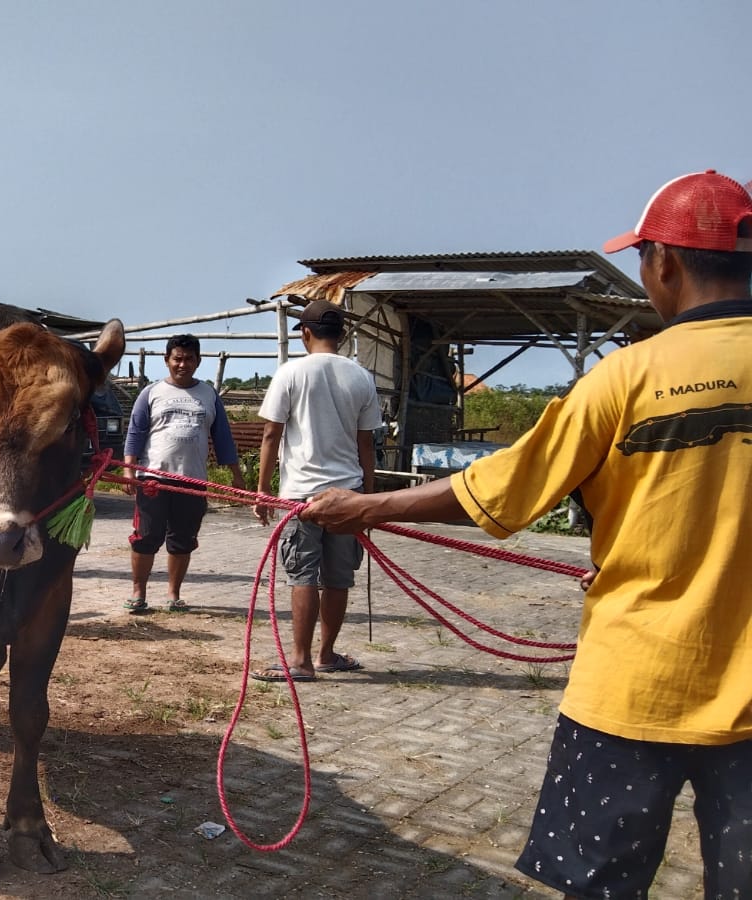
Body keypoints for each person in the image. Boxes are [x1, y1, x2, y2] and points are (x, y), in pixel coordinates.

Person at [302, 169, 752, 897]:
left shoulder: (626, 378)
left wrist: (364, 508)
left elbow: (501, 490)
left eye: (643, 261)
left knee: (597, 885)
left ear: (663, 262)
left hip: (632, 689)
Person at [250, 299, 380, 681]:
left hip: (300, 497)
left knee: (302, 575)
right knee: (338, 578)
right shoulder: (361, 377)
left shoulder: (290, 373)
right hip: (350, 496)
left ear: (305, 333)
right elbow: (366, 444)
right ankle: (325, 655)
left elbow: (271, 434)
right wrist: (370, 501)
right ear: (341, 335)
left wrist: (262, 491)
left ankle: (301, 662)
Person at [122, 335, 244, 612]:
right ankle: (138, 592)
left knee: (182, 539)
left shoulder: (209, 395)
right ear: (167, 360)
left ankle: (173, 594)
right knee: (146, 536)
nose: (182, 364)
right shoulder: (151, 393)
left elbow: (223, 438)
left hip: (192, 480)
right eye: (177, 358)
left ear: (198, 361)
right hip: (152, 477)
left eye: (189, 359)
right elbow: (135, 433)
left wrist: (236, 475)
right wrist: (129, 470)